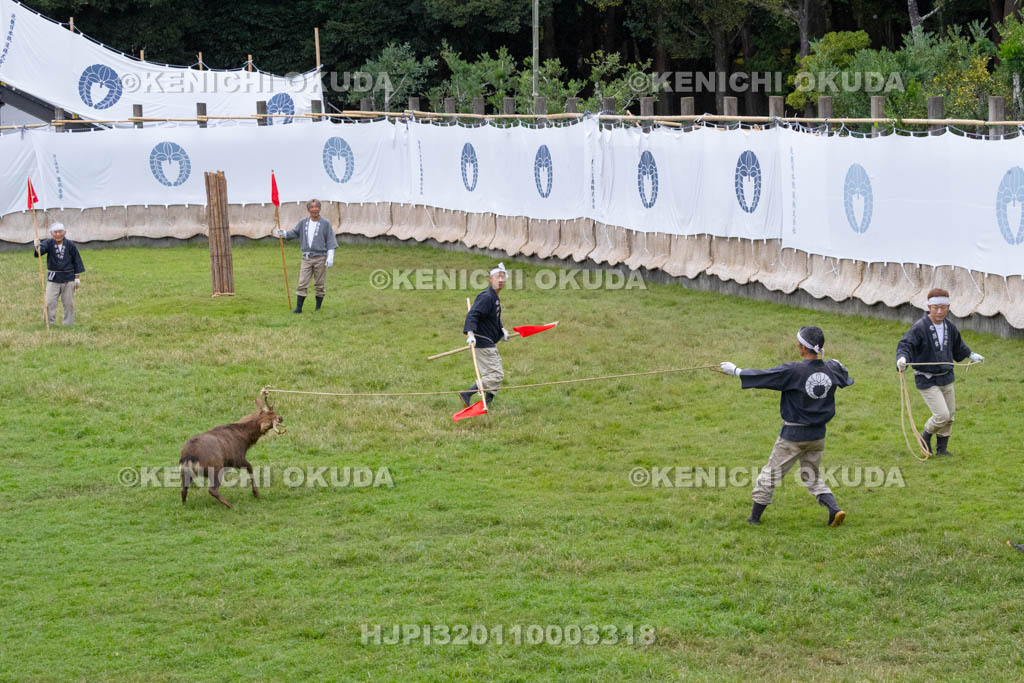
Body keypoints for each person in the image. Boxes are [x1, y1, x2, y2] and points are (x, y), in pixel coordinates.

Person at [720, 326, 853, 527]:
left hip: (793, 436)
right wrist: (835, 364)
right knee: (811, 475)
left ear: (802, 347)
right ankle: (834, 509)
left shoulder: (793, 371)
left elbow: (765, 376)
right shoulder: (832, 368)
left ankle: (754, 519)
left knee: (770, 475)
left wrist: (737, 371)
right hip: (818, 435)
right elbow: (845, 376)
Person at [896, 288, 983, 456]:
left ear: (948, 307)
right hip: (926, 379)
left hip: (946, 377)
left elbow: (959, 346)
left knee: (950, 416)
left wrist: (971, 355)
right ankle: (925, 436)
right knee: (941, 415)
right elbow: (905, 345)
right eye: (935, 307)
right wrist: (902, 359)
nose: (939, 311)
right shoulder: (920, 327)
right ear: (929, 307)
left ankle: (942, 450)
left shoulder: (950, 326)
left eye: (943, 307)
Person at [273, 199, 338, 313]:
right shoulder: (303, 222)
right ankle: (299, 308)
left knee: (319, 283)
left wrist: (330, 256)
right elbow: (294, 233)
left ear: (320, 208)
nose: (314, 209)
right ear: (308, 209)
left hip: (320, 257)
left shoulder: (325, 223)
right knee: (302, 282)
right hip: (306, 258)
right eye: (312, 207)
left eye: (316, 207)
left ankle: (318, 308)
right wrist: (284, 233)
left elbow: (330, 240)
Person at [459, 263, 509, 408]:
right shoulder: (487, 297)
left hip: (488, 342)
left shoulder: (494, 297)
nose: (500, 280)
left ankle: (487, 402)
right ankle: (467, 393)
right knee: (496, 375)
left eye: (503, 277)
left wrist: (502, 330)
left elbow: (493, 318)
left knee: (494, 373)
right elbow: (473, 315)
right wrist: (470, 334)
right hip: (482, 342)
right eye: (497, 277)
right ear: (490, 279)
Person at [33, 222, 85, 326]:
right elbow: (40, 252)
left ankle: (68, 324)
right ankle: (49, 323)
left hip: (68, 278)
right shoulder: (48, 243)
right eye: (55, 232)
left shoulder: (70, 244)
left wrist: (77, 277)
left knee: (68, 303)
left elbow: (77, 260)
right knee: (49, 302)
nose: (58, 234)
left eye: (60, 232)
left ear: (64, 232)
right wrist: (37, 246)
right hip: (54, 278)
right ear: (51, 233)